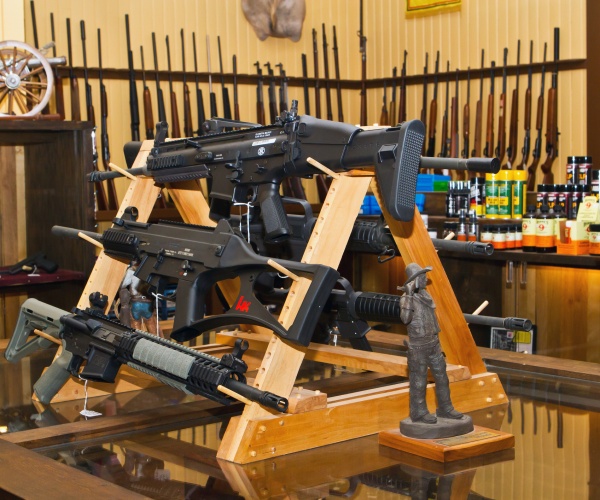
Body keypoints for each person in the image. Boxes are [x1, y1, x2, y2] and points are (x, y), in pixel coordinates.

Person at [400, 263, 463, 424]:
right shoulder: (407, 299)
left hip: (433, 343)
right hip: (418, 347)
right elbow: (405, 319)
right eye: (422, 277)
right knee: (419, 381)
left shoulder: (426, 296)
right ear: (413, 281)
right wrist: (407, 294)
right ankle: (419, 413)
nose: (425, 279)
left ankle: (445, 408)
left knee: (442, 377)